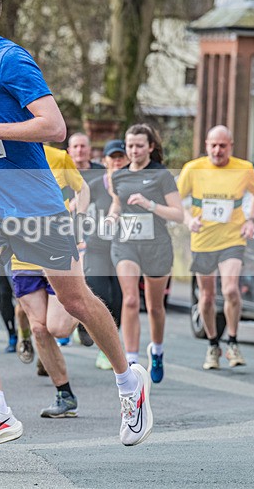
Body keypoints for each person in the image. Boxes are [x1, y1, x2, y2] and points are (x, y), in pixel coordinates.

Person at [0, 0, 152, 451]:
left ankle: (127, 379)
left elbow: (54, 127)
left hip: (33, 199)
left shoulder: (10, 59)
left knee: (75, 302)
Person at [9, 145, 89, 418]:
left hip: (56, 249)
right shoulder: (5, 156)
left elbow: (83, 189)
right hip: (22, 256)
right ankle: (64, 395)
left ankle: (84, 308)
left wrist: (79, 220)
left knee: (59, 328)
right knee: (39, 329)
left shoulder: (58, 157)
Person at [177, 125, 254, 370]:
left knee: (231, 289)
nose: (217, 150)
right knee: (206, 297)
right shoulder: (192, 169)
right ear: (206, 145)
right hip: (203, 241)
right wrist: (188, 219)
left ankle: (233, 342)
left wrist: (251, 220)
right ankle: (213, 344)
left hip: (232, 239)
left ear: (231, 146)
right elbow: (174, 199)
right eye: (213, 145)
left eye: (222, 146)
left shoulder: (244, 168)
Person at [109, 124, 184, 382]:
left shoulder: (161, 175)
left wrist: (150, 204)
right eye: (130, 145)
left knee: (154, 307)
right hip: (126, 243)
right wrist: (111, 218)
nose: (134, 150)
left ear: (151, 147)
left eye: (139, 145)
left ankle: (158, 350)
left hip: (157, 246)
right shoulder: (118, 176)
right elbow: (116, 206)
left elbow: (178, 214)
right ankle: (130, 362)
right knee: (130, 300)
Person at [84, 139, 128, 370]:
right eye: (113, 157)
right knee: (101, 296)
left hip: (124, 249)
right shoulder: (93, 184)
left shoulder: (133, 185)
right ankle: (99, 343)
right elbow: (77, 209)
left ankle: (109, 348)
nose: (118, 161)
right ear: (105, 161)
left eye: (121, 157)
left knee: (120, 301)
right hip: (97, 248)